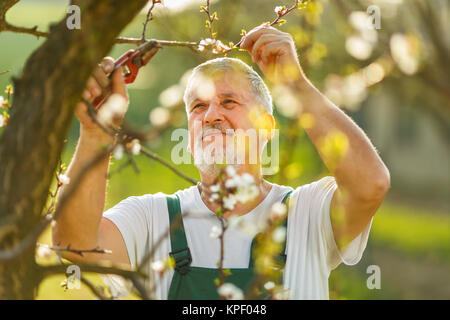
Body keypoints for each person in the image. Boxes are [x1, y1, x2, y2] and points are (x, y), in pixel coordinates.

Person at [53, 25, 390, 300]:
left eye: (229, 102)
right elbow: (76, 247)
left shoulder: (305, 215)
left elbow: (370, 185)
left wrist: (296, 85)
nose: (212, 115)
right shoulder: (154, 219)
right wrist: (97, 133)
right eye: (198, 107)